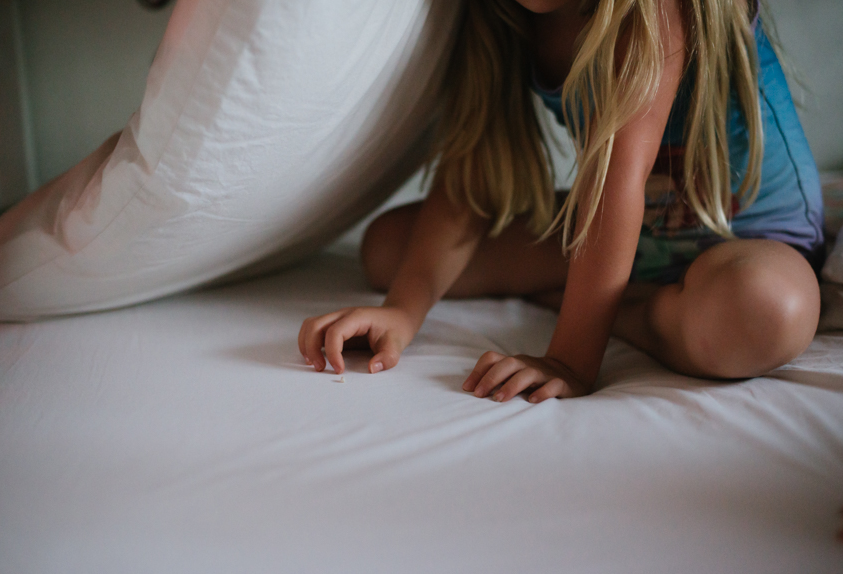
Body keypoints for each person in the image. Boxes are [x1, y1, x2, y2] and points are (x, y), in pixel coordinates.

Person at [298, 0, 824, 401]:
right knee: (388, 250)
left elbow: (617, 179)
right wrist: (403, 312)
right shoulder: (506, 19)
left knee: (769, 309)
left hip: (745, 237)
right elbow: (476, 172)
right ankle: (627, 296)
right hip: (630, 233)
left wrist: (570, 362)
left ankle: (613, 310)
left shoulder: (655, 9)